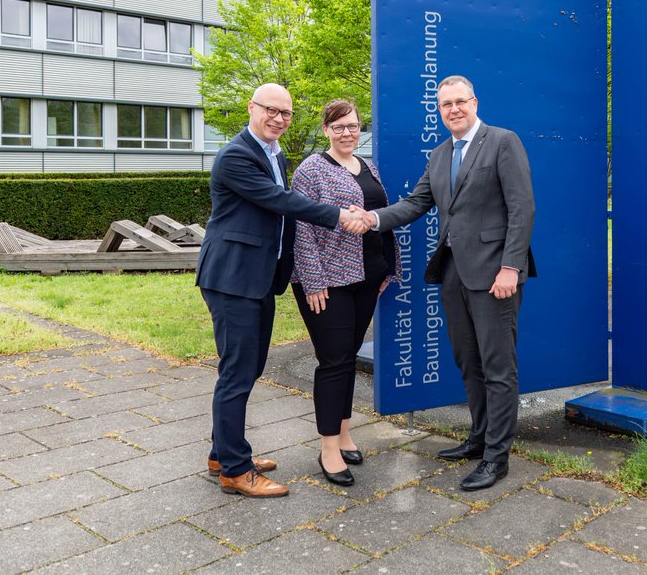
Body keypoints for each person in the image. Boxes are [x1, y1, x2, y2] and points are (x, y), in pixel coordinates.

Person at [355, 75, 535, 491]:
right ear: (439, 110)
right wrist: (373, 219)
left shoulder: (503, 142)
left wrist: (511, 267)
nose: (453, 109)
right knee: (467, 362)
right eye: (445, 104)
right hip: (453, 271)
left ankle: (497, 457)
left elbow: (522, 208)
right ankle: (478, 437)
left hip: (495, 274)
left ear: (475, 101)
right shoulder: (439, 154)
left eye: (460, 101)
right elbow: (418, 202)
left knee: (498, 367)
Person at [196, 83, 365, 498]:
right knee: (237, 373)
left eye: (286, 113)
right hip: (231, 279)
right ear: (251, 108)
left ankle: (223, 453)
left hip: (258, 279)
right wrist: (338, 215)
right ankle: (235, 471)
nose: (279, 118)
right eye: (271, 110)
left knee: (249, 369)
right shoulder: (236, 155)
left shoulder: (275, 153)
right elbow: (278, 200)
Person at [290, 99, 400, 487]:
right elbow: (301, 229)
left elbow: (379, 217)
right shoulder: (311, 170)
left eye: (353, 126)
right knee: (333, 362)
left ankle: (345, 433)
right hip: (328, 283)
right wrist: (313, 281)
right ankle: (328, 449)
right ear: (326, 131)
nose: (348, 133)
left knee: (347, 359)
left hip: (368, 277)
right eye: (339, 127)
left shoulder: (368, 166)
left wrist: (388, 268)